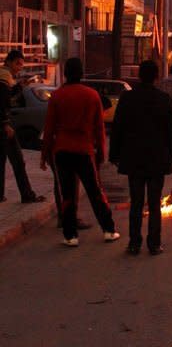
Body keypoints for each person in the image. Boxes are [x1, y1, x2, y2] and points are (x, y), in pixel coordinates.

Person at [41, 58, 118, 247]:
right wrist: (101, 152)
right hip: (84, 151)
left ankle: (70, 236)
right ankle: (108, 230)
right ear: (82, 73)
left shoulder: (57, 96)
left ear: (65, 73)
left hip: (62, 151)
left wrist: (44, 155)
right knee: (95, 192)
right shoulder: (92, 96)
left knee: (68, 194)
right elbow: (99, 129)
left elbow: (49, 128)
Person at [109, 60, 172, 256]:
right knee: (154, 205)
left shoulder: (127, 98)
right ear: (156, 77)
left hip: (134, 158)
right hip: (157, 159)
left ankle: (134, 243)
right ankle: (154, 244)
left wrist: (114, 154)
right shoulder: (164, 99)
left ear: (140, 76)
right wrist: (171, 155)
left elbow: (118, 128)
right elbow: (170, 132)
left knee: (136, 203)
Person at [0, 50, 45, 203]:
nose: (19, 67)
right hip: (3, 126)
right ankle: (27, 195)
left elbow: (9, 95)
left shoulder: (5, 75)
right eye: (18, 63)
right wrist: (5, 123)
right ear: (10, 62)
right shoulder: (4, 76)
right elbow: (2, 102)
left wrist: (21, 86)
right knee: (18, 161)